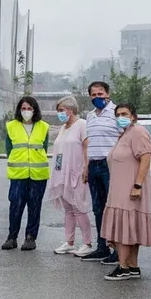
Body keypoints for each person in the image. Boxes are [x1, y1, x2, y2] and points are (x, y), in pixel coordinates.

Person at [101, 103, 151, 281]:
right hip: (119, 190)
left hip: (131, 189)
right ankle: (132, 266)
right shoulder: (124, 134)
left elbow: (145, 158)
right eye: (117, 114)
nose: (120, 117)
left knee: (125, 228)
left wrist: (137, 185)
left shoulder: (138, 132)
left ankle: (123, 266)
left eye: (124, 113)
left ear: (133, 116)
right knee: (128, 227)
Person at [80, 81, 124, 265]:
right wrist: (86, 166)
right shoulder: (90, 116)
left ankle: (118, 250)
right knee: (98, 208)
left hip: (110, 166)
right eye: (94, 95)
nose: (97, 98)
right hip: (94, 165)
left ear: (108, 94)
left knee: (113, 208)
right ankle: (102, 246)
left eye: (101, 94)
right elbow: (88, 142)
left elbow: (124, 138)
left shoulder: (117, 114)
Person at [48, 96, 94, 256]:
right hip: (62, 174)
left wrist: (86, 168)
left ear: (71, 110)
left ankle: (87, 243)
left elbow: (87, 147)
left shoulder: (82, 125)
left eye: (61, 110)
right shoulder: (63, 128)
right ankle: (70, 242)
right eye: (58, 110)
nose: (59, 114)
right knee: (68, 209)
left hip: (77, 173)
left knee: (79, 208)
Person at [2, 96, 50, 251]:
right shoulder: (11, 126)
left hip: (38, 174)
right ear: (19, 110)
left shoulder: (44, 126)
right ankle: (12, 237)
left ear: (35, 110)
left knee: (35, 206)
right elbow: (9, 149)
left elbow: (44, 148)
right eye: (23, 108)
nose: (26, 111)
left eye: (29, 108)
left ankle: (30, 238)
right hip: (18, 174)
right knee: (15, 205)